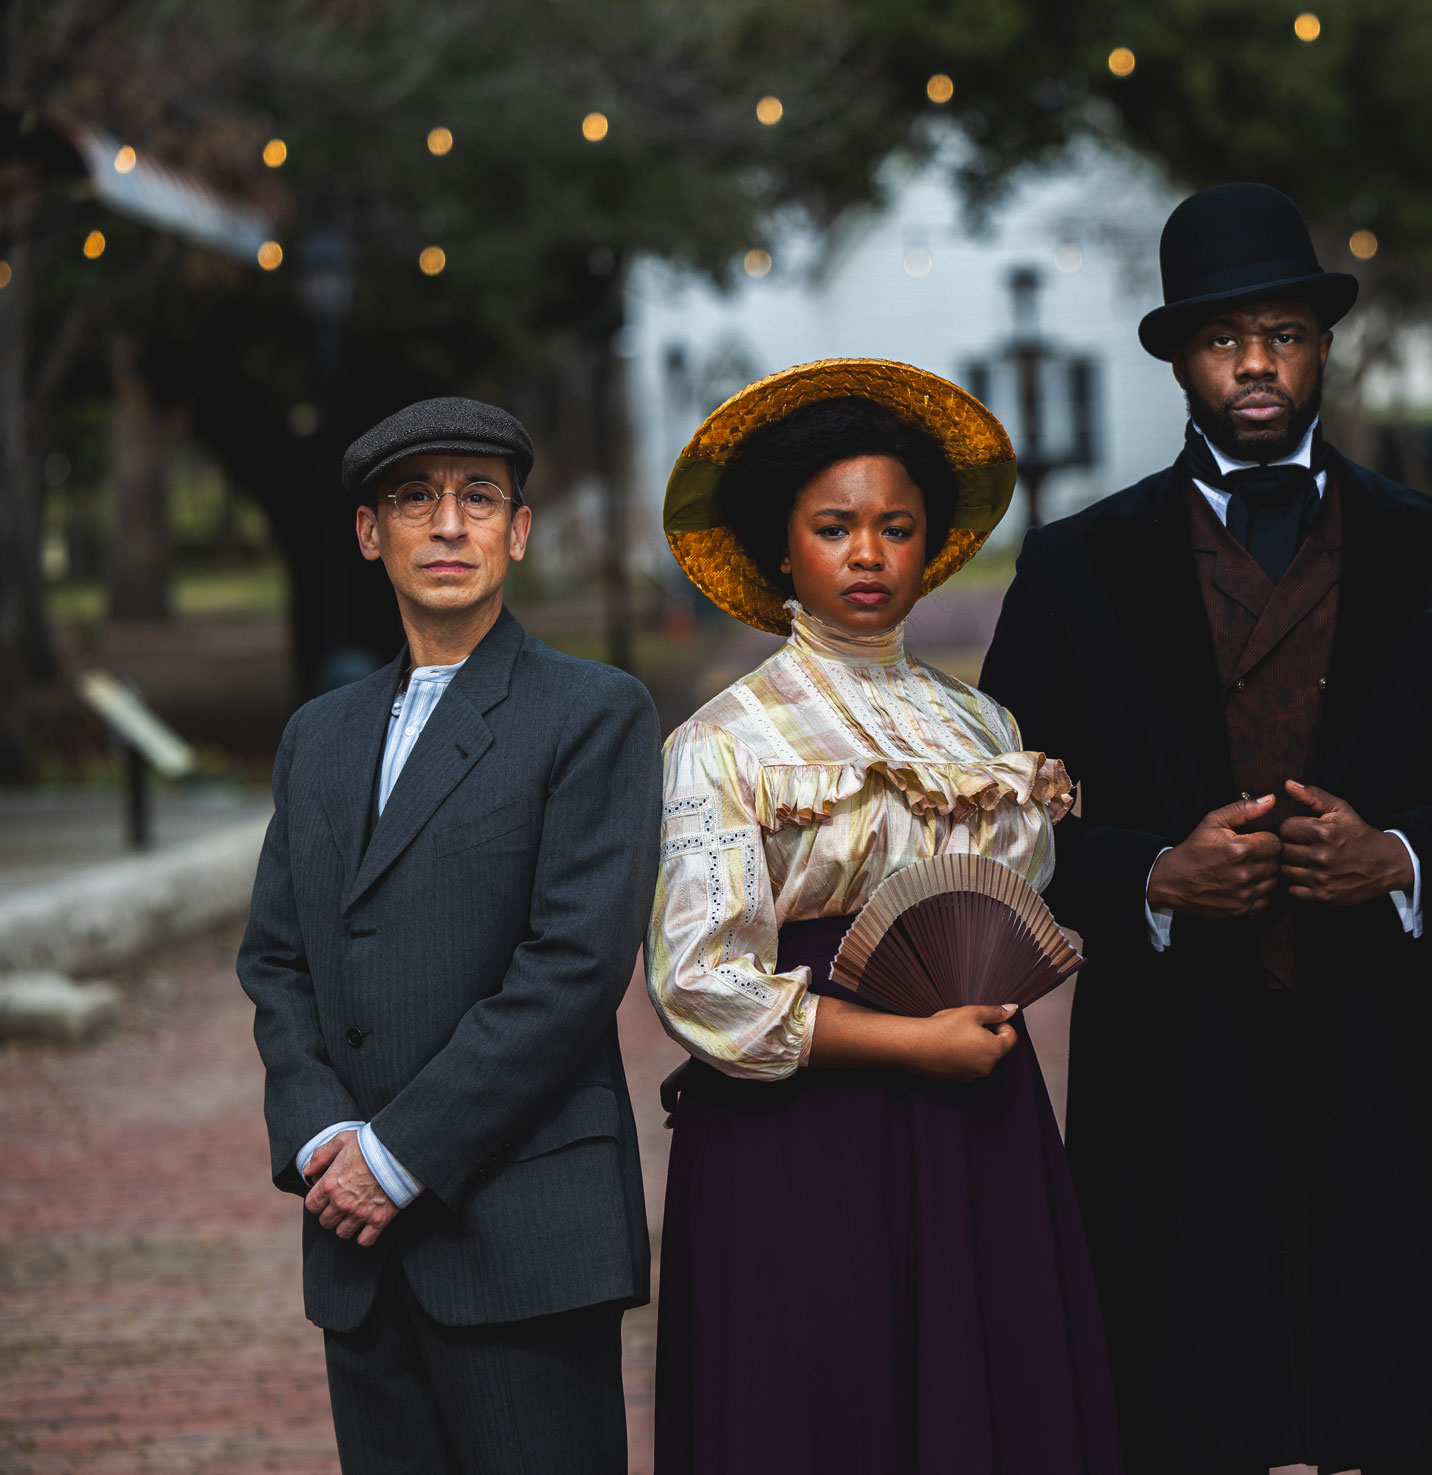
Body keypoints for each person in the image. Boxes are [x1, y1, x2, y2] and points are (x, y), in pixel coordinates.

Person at [978, 183, 1432, 1474]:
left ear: (1324, 344)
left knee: (1416, 1385)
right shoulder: (1077, 566)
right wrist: (1154, 876)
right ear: (1179, 355)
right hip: (1178, 1053)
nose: (1255, 361)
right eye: (1224, 336)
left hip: (1399, 1041)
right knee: (1188, 1398)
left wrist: (1400, 855)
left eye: (1283, 331)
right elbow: (1004, 819)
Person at [648, 360, 1121, 1475]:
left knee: (985, 1404)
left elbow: (1023, 898)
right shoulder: (724, 740)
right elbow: (699, 981)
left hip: (977, 1126)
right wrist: (912, 1041)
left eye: (896, 526)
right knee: (825, 1404)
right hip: (802, 1134)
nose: (867, 553)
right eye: (833, 525)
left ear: (930, 545)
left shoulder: (984, 722)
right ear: (781, 544)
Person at [238, 397, 660, 1474]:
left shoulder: (592, 712)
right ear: (370, 534)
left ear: (517, 531)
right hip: (353, 1241)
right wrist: (323, 1135)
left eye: (478, 498)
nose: (447, 525)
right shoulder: (316, 736)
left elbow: (572, 968)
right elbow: (276, 960)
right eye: (414, 499)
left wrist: (397, 1152)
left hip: (520, 1231)